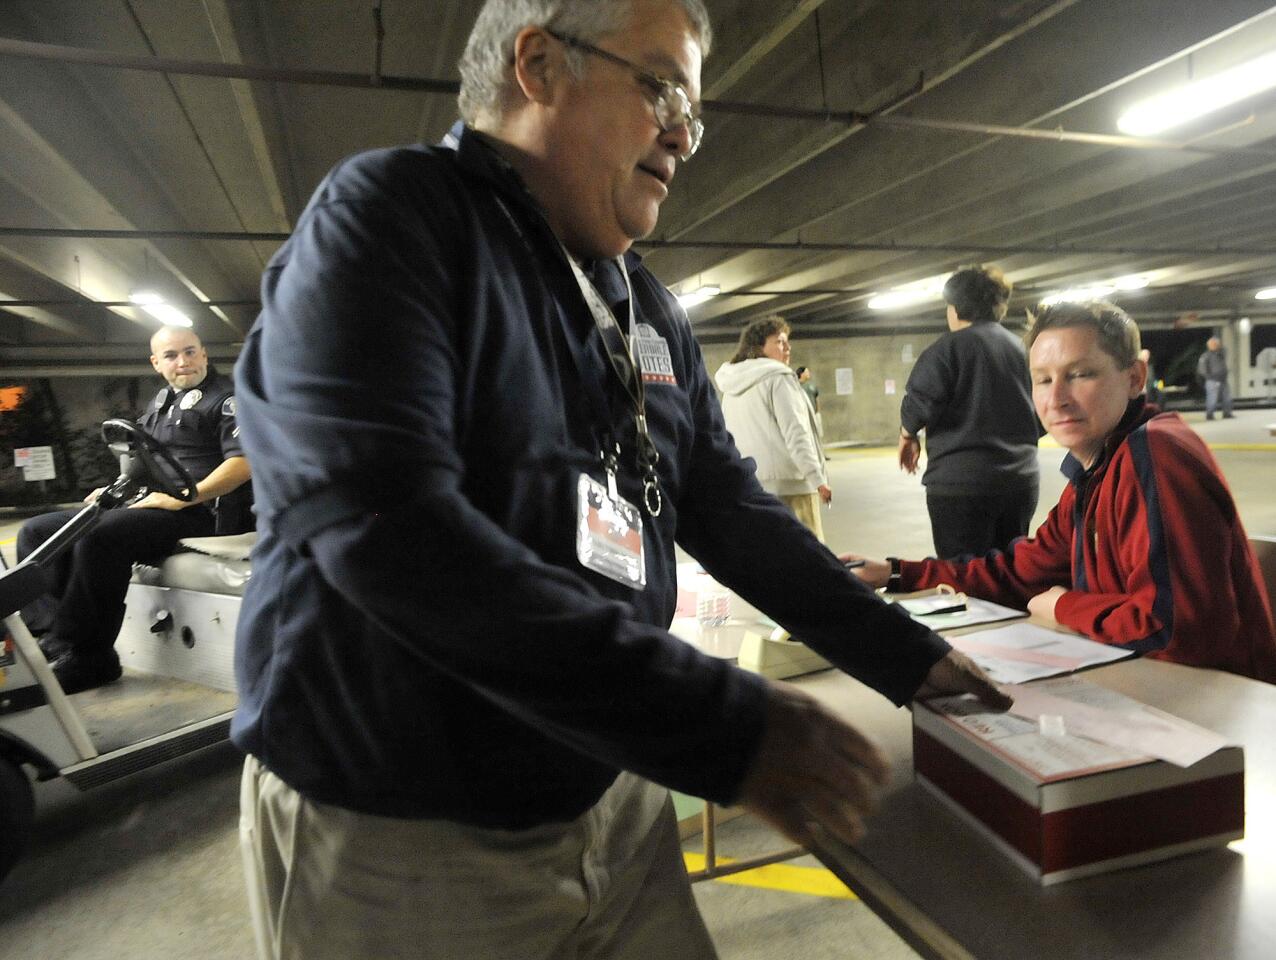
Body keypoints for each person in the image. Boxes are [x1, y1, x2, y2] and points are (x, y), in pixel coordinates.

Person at [230, 3, 1009, 958]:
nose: (684, 130)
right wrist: (723, 727)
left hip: (611, 783)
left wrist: (900, 653)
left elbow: (722, 501)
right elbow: (382, 523)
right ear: (540, 64)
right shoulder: (394, 217)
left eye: (693, 107)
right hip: (407, 829)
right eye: (662, 86)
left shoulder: (639, 300)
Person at [851, 301, 1276, 683]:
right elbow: (1019, 573)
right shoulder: (1095, 473)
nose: (1056, 399)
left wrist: (1064, 606)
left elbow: (1176, 631)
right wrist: (894, 573)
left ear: (1134, 377)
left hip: (1224, 705)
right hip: (1152, 681)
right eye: (1042, 380)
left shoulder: (1158, 455)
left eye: (1080, 374)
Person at [16, 325, 252, 693]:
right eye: (172, 356)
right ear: (156, 363)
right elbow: (138, 458)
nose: (183, 362)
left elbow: (242, 465)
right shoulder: (161, 403)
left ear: (204, 354)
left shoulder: (227, 400)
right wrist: (114, 492)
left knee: (100, 535)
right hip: (153, 508)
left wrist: (184, 497)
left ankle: (89, 655)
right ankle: (50, 637)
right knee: (38, 530)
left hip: (202, 514)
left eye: (190, 352)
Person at [898, 264, 1039, 558]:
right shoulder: (1023, 351)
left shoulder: (945, 350)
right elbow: (1043, 412)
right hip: (1020, 483)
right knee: (1010, 573)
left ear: (955, 308)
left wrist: (907, 435)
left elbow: (919, 402)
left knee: (965, 579)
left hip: (959, 489)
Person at [715, 318, 831, 540]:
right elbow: (797, 434)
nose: (787, 347)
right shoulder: (779, 379)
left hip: (752, 487)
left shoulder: (731, 386)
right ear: (758, 347)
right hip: (792, 489)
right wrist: (817, 479)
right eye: (779, 342)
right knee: (809, 562)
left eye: (787, 342)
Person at [1196, 335, 1234, 419]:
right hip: (1212, 381)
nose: (1215, 345)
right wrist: (1210, 376)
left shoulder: (1221, 353)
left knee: (1227, 398)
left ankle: (1227, 413)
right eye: (1213, 344)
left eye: (1216, 344)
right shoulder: (1205, 356)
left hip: (1223, 380)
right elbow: (1202, 369)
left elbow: (1225, 350)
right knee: (1212, 399)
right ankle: (1209, 414)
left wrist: (1219, 346)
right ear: (1209, 345)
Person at [795, 364, 823, 435]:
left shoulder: (812, 385)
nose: (809, 373)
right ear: (801, 374)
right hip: (802, 415)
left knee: (816, 434)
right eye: (807, 372)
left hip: (814, 415)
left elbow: (816, 398)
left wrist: (818, 413)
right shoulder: (795, 385)